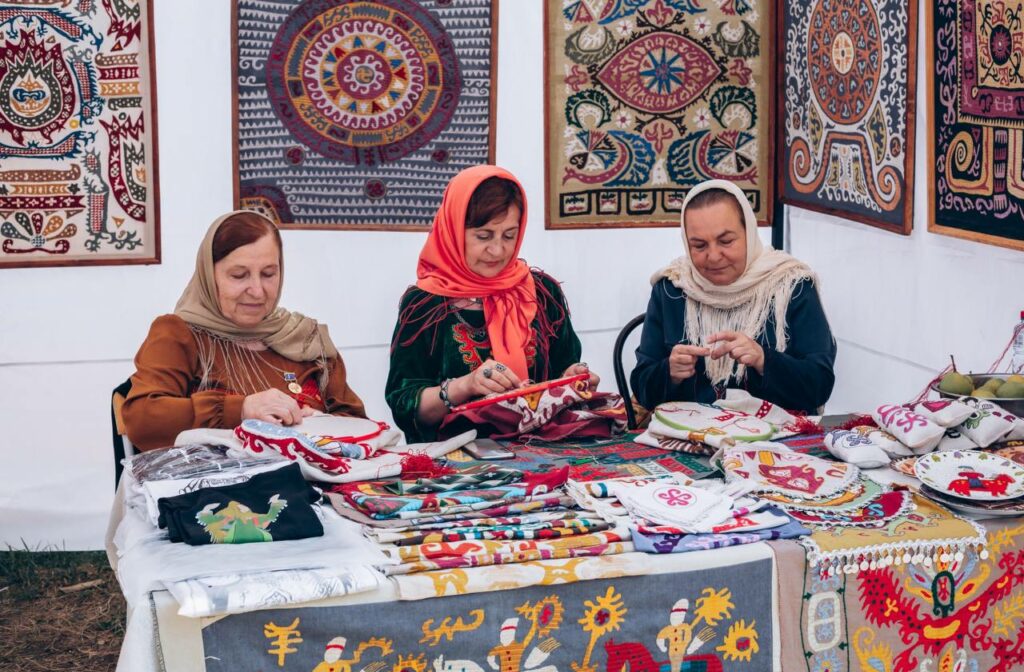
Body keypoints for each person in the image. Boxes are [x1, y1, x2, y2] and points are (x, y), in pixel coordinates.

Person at [386, 165, 597, 442]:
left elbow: (563, 368)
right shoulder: (425, 305)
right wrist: (464, 386)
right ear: (453, 230)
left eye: (509, 235)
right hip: (457, 456)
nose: (497, 250)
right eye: (483, 236)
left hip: (545, 446)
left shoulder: (541, 293)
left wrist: (571, 380)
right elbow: (405, 405)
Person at [123, 210, 365, 451]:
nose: (257, 291)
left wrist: (322, 424)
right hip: (217, 477)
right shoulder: (180, 335)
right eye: (239, 275)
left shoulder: (304, 339)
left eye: (269, 274)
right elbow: (142, 419)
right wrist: (241, 409)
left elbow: (359, 426)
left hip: (312, 475)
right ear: (209, 275)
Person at [630, 180, 835, 414]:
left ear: (749, 233)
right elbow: (643, 390)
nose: (714, 256)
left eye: (726, 241)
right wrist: (669, 372)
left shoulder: (791, 286)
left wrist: (763, 360)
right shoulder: (673, 289)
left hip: (778, 432)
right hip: (690, 432)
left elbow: (819, 385)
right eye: (699, 245)